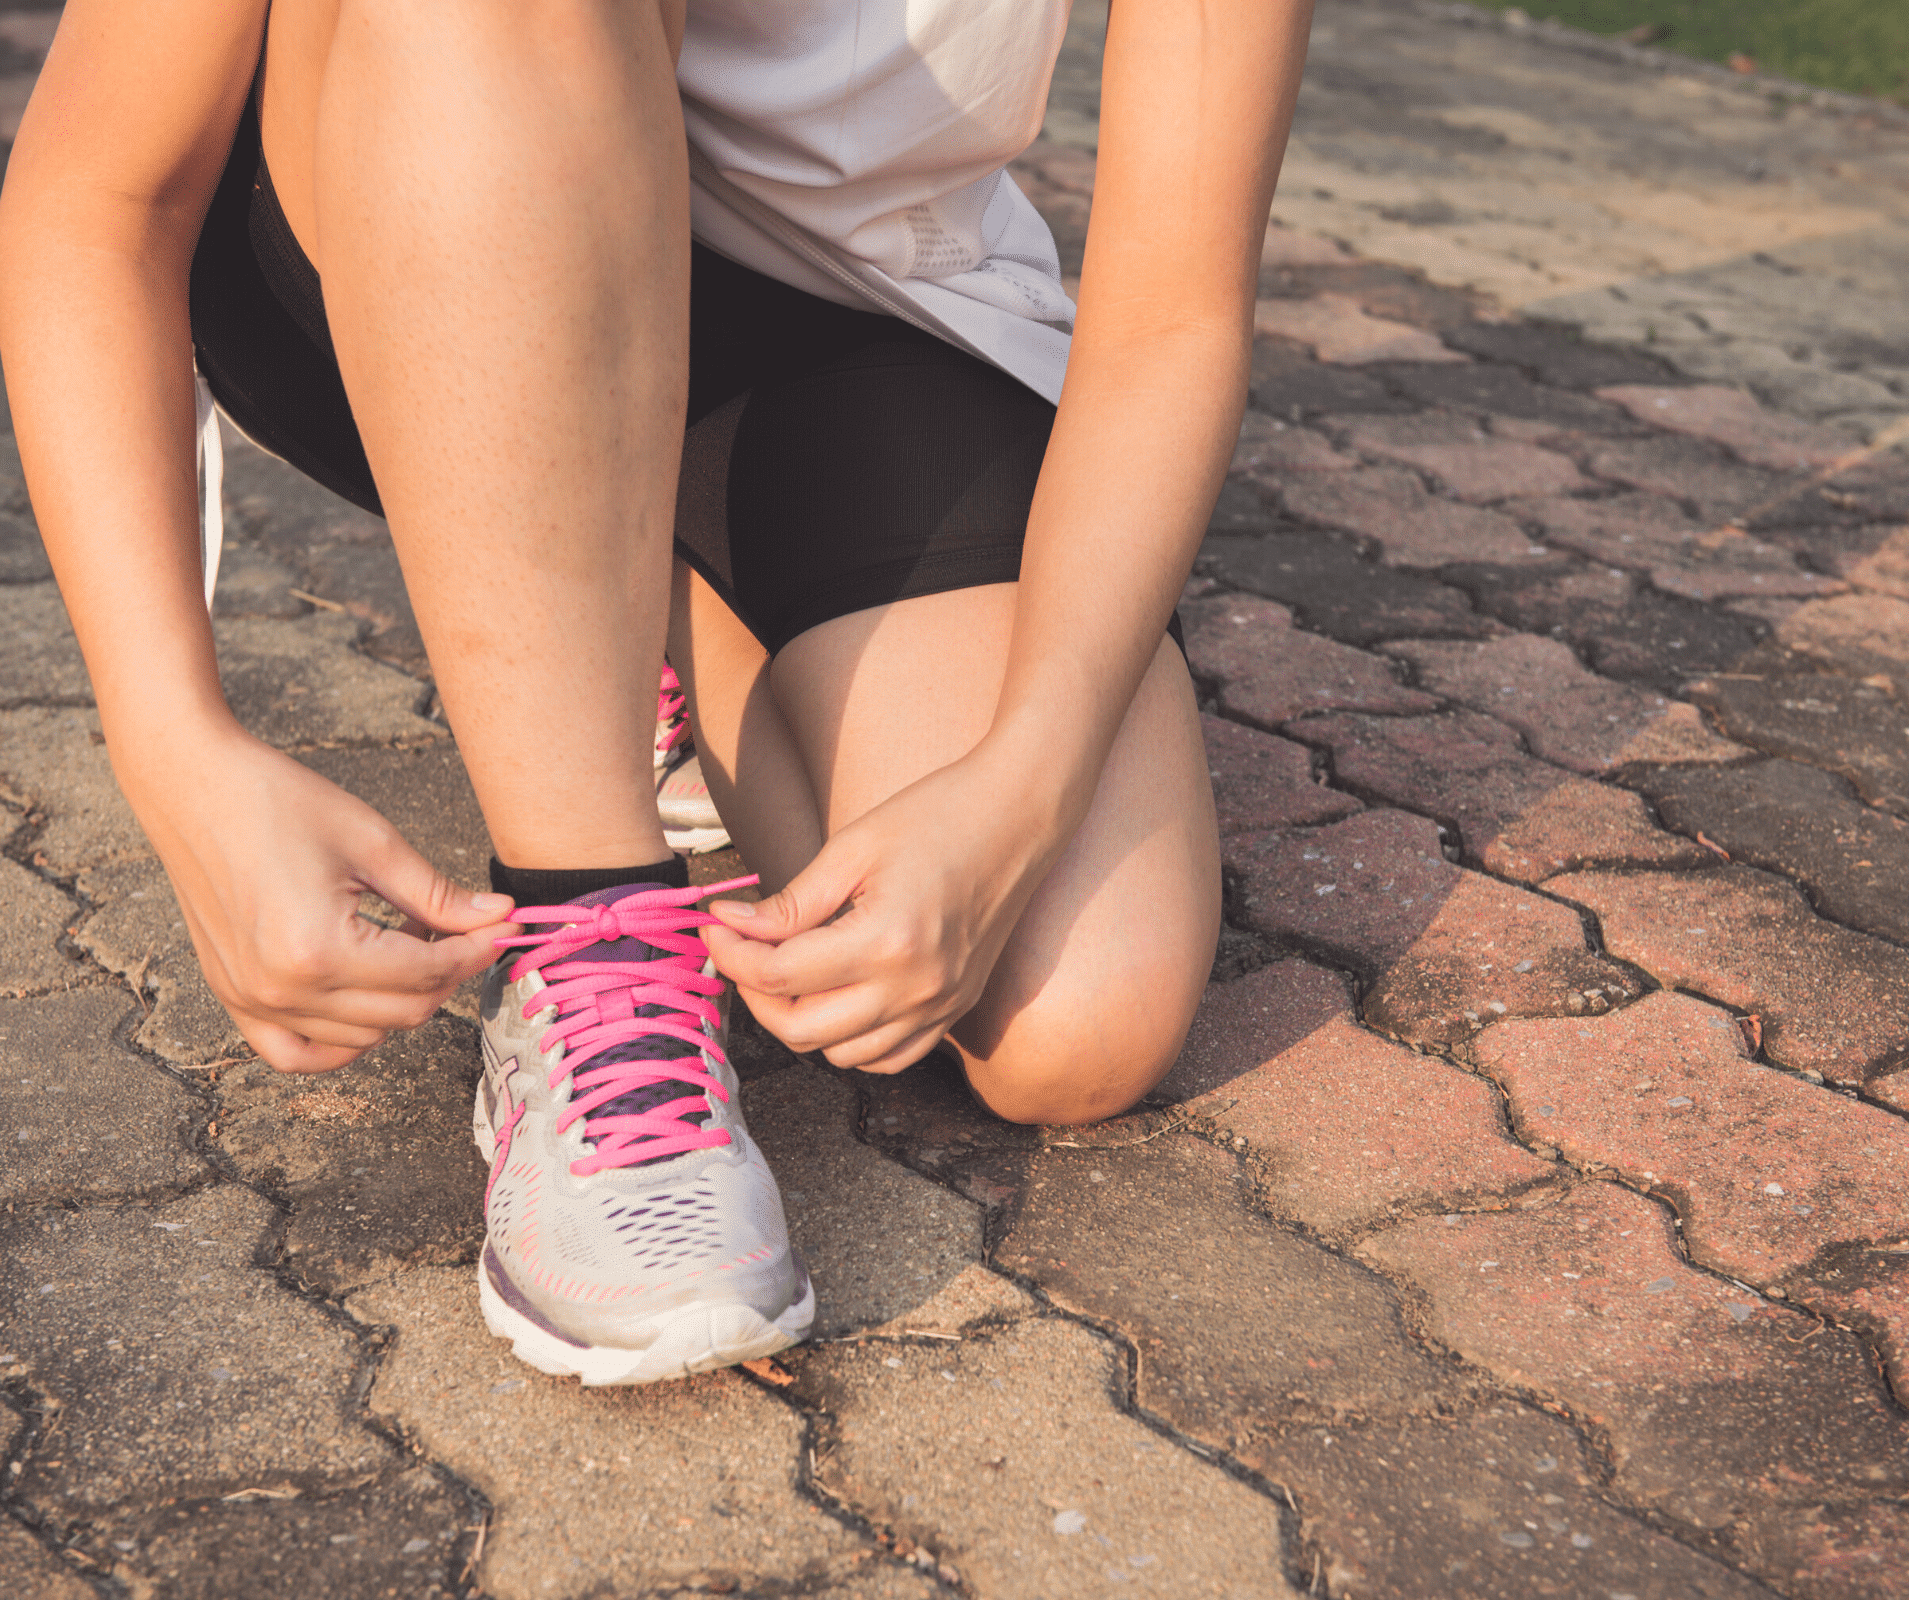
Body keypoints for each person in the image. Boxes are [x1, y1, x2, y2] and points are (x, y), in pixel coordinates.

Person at [0, 0, 1312, 1384]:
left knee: (1070, 1015)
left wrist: (1024, 785)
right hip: (407, 174)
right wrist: (171, 739)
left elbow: (1173, 312)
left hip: (855, 302)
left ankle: (615, 598)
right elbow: (96, 193)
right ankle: (589, 931)